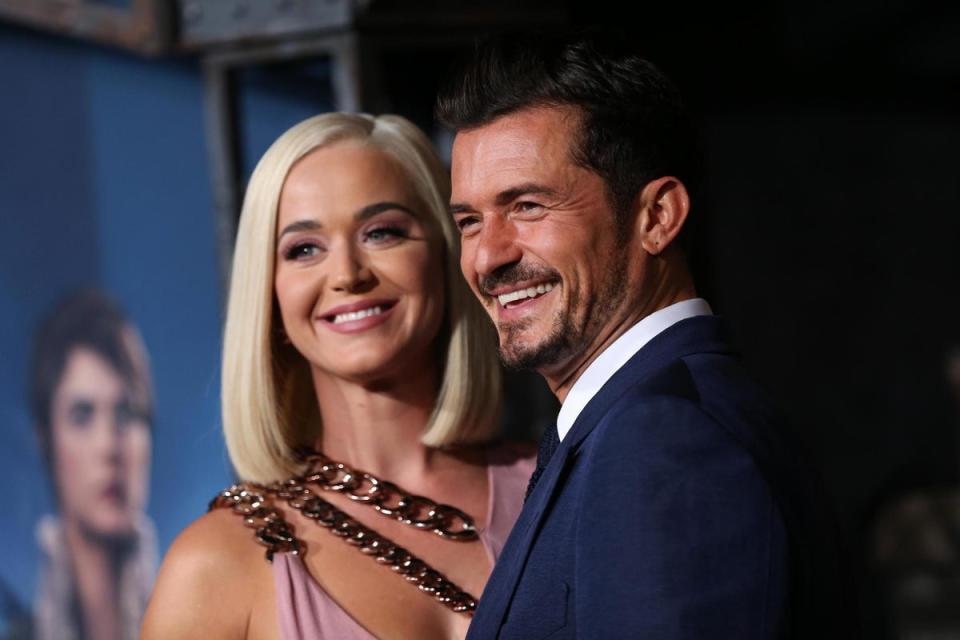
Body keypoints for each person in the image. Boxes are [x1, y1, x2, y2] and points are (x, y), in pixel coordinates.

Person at [437, 31, 853, 638]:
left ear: (657, 217)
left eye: (527, 206)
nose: (486, 258)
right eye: (470, 222)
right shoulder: (637, 419)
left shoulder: (663, 439)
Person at [142, 112, 535, 640]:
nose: (348, 274)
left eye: (383, 233)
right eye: (304, 249)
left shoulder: (558, 487)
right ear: (270, 296)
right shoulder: (214, 565)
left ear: (445, 259)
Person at [28, 289, 157, 640]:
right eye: (82, 415)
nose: (109, 447)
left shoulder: (204, 619)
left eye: (127, 413)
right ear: (47, 440)